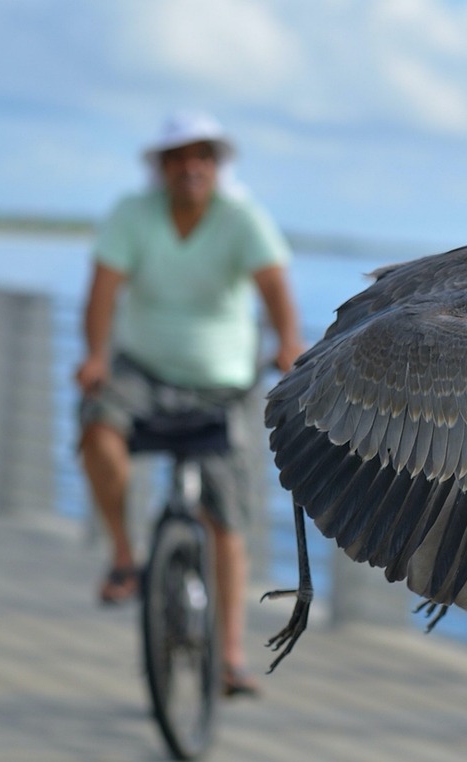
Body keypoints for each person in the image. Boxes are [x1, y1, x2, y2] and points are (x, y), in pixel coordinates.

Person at [75, 111, 305, 697]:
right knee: (98, 430)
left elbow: (274, 286)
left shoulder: (242, 217)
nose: (192, 168)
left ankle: (229, 658)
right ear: (161, 167)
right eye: (178, 158)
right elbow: (102, 291)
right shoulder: (133, 213)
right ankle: (124, 556)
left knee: (225, 518)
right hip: (142, 372)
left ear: (217, 165)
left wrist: (289, 344)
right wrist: (95, 356)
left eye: (203, 156)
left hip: (222, 384)